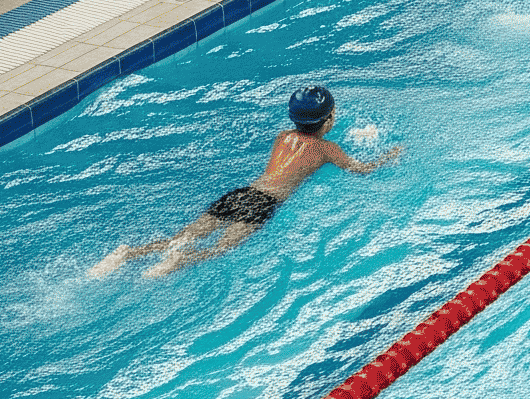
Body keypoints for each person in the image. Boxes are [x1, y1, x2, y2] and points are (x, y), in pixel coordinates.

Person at [92, 86, 401, 278]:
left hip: (242, 193)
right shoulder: (327, 149)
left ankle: (128, 253)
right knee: (220, 250)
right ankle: (177, 263)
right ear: (329, 120)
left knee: (183, 235)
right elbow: (362, 170)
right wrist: (388, 156)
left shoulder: (283, 136)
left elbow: (300, 147)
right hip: (263, 204)